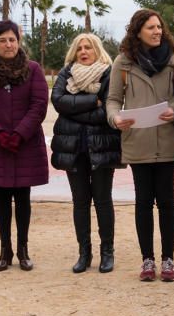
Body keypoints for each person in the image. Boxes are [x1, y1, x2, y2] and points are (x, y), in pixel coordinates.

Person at [107, 9, 174, 282]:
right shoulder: (123, 63)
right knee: (143, 201)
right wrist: (115, 118)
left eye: (159, 27)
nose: (157, 32)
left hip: (167, 138)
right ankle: (147, 260)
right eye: (151, 27)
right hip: (137, 140)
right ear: (137, 31)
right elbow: (113, 99)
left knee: (166, 200)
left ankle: (168, 259)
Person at [0, 20, 49, 272]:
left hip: (25, 144)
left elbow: (39, 105)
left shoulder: (33, 69)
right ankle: (5, 250)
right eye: (3, 40)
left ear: (19, 41)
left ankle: (23, 249)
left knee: (23, 197)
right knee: (2, 197)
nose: (8, 44)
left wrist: (19, 134)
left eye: (12, 39)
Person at [52, 33, 122, 274]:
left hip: (102, 145)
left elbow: (108, 110)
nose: (83, 51)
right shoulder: (66, 73)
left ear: (97, 50)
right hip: (73, 148)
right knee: (80, 202)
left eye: (88, 47)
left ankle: (107, 253)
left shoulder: (108, 73)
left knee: (103, 201)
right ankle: (84, 253)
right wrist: (93, 102)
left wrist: (75, 110)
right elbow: (58, 101)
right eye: (79, 48)